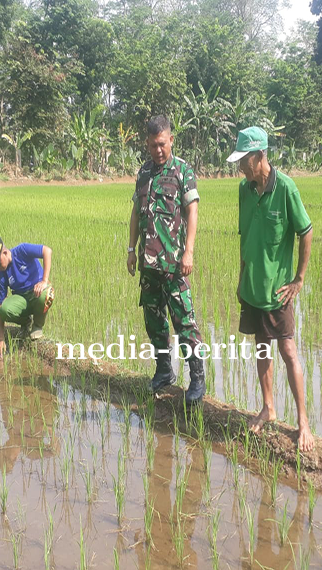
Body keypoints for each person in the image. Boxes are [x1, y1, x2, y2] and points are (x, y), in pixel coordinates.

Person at [226, 126, 315, 452]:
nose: (240, 166)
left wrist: (298, 279)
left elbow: (306, 231)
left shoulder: (286, 188)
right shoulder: (244, 189)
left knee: (288, 350)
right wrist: (241, 277)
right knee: (262, 348)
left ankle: (303, 422)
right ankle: (268, 407)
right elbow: (245, 236)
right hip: (252, 287)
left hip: (278, 291)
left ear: (260, 155)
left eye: (243, 160)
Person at [126, 115, 206, 407]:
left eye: (162, 144)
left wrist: (189, 251)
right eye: (152, 145)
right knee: (154, 320)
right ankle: (163, 371)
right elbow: (136, 213)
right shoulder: (144, 172)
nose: (158, 150)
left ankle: (197, 378)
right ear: (147, 144)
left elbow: (192, 211)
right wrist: (131, 249)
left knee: (184, 321)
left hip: (173, 264)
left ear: (171, 140)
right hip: (148, 263)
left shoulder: (183, 170)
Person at [0, 237, 54, 358]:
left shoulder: (22, 250)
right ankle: (26, 322)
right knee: (4, 310)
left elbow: (47, 251)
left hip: (37, 292)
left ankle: (37, 326)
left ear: (5, 253)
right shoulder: (1, 275)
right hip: (22, 300)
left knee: (47, 294)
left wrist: (44, 281)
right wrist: (1, 339)